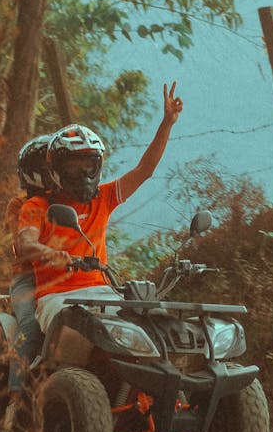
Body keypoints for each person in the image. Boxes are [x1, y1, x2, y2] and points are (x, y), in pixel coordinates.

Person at [15, 81, 183, 333]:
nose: (83, 172)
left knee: (148, 327)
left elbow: (144, 170)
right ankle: (51, 373)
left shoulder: (103, 197)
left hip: (105, 293)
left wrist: (167, 123)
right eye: (73, 165)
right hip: (57, 298)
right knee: (76, 336)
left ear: (98, 165)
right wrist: (51, 254)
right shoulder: (37, 205)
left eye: (89, 164)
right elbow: (24, 243)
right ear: (57, 168)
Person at [2, 135, 56, 429]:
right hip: (28, 279)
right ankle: (15, 398)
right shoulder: (20, 204)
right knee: (30, 328)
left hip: (65, 280)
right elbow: (20, 243)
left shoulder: (70, 199)